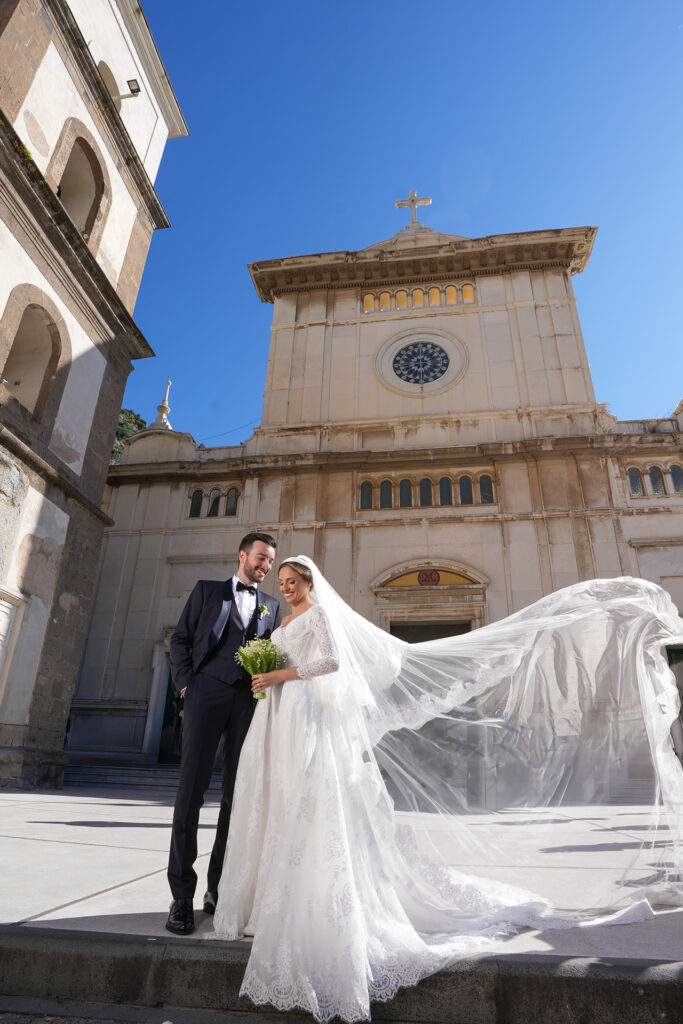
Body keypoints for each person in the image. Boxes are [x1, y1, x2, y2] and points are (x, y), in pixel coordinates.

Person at [214, 557, 683, 1022]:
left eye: (294, 580)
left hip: (307, 715)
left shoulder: (319, 615)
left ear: (311, 582)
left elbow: (332, 662)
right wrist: (267, 678)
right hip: (280, 718)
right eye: (284, 582)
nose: (288, 587)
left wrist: (278, 674)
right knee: (280, 803)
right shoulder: (281, 618)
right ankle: (266, 898)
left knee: (312, 808)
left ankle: (316, 904)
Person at [166, 532, 281, 935]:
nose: (266, 566)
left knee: (237, 798)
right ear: (243, 555)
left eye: (270, 561)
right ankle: (181, 897)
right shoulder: (207, 591)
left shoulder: (272, 606)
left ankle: (219, 889)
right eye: (261, 558)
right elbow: (180, 641)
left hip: (248, 703)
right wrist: (186, 686)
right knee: (191, 793)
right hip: (205, 694)